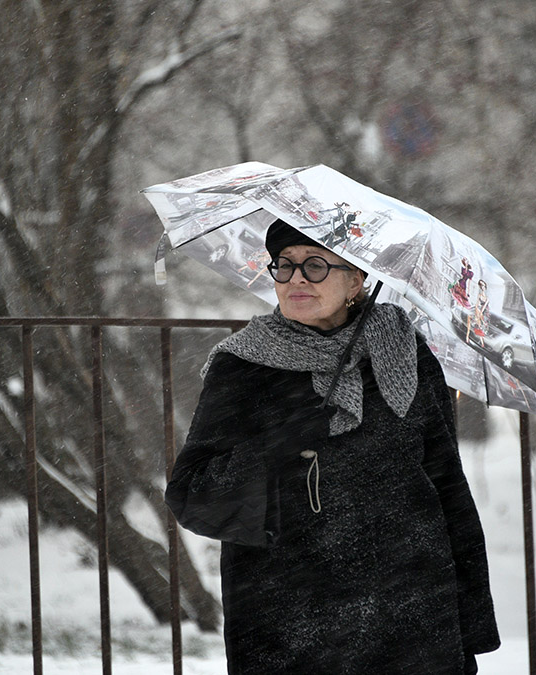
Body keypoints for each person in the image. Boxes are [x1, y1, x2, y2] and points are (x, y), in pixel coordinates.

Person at [166, 219, 499, 673]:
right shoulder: (242, 366)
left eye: (316, 265)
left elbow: (446, 484)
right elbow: (192, 491)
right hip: (294, 613)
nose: (296, 278)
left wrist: (469, 626)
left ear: (357, 280)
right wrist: (283, 441)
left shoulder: (406, 353)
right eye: (284, 266)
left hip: (409, 606)